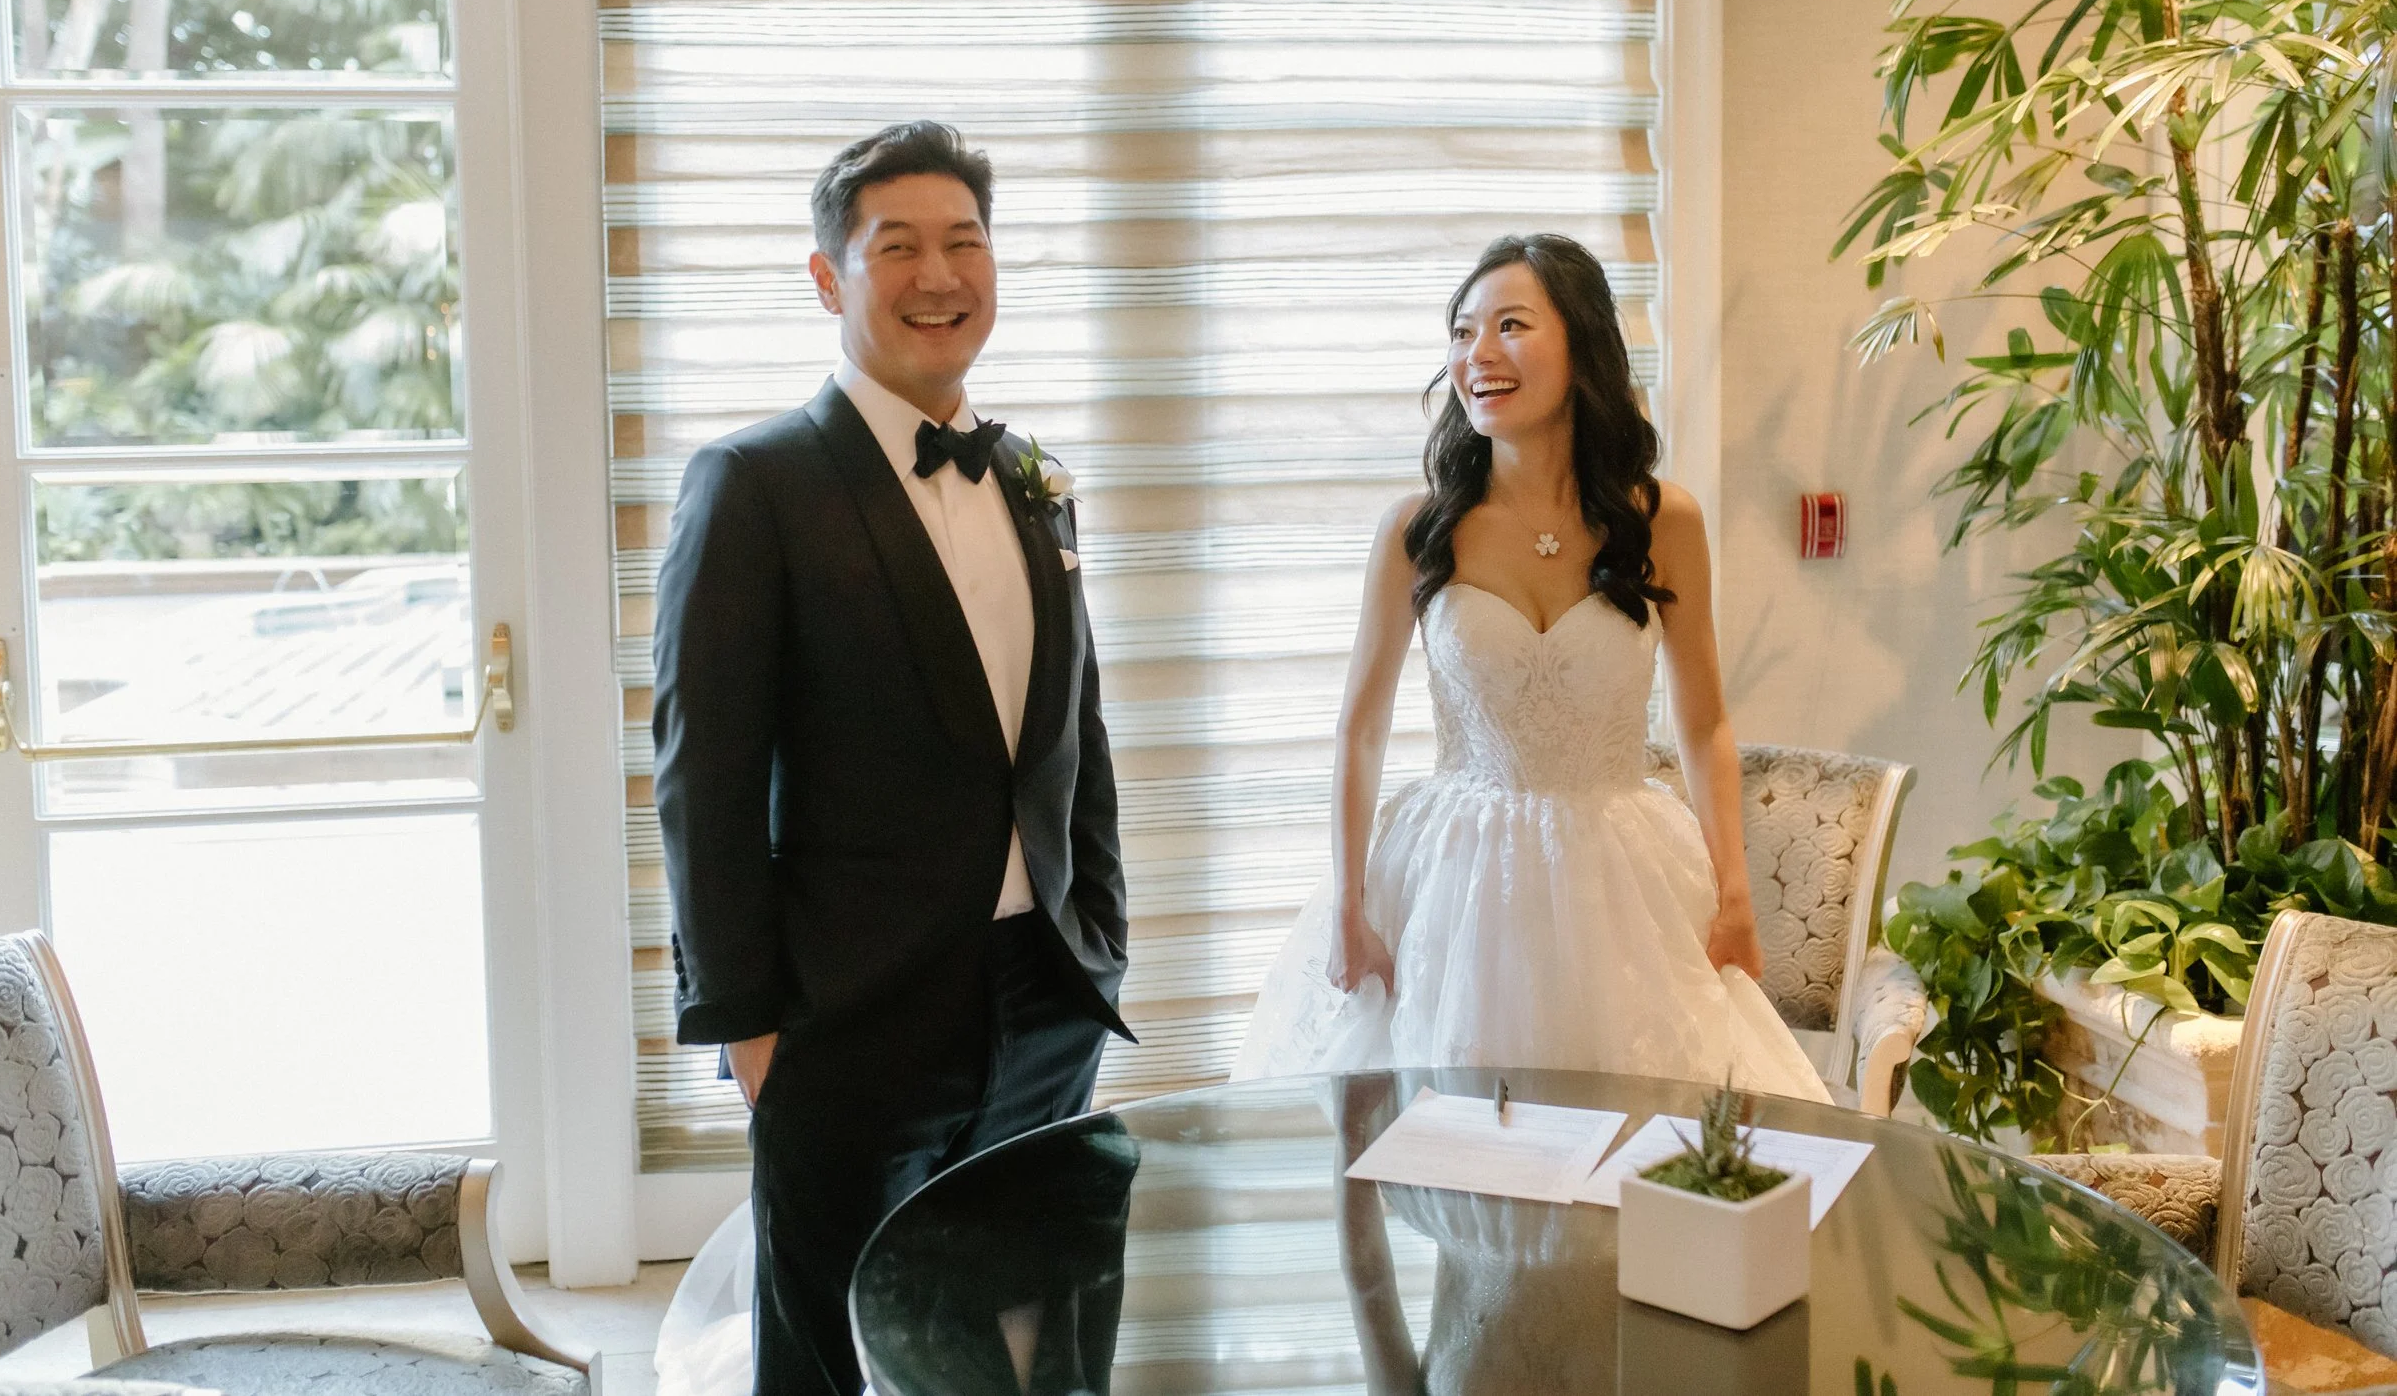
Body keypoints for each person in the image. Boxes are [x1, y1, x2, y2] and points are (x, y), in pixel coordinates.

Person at [652, 121, 1131, 1396]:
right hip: (846, 1009)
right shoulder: (752, 482)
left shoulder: (1035, 474)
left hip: (1041, 995)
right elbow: (702, 776)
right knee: (823, 1346)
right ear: (828, 276)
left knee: (1013, 1334)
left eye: (965, 241)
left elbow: (1075, 728)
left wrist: (1098, 932)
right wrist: (745, 1023)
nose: (939, 274)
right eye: (898, 245)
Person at [1231, 233, 1826, 1102]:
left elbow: (1703, 723)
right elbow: (1359, 730)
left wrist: (1736, 895)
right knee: (1456, 1136)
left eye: (1510, 325)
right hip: (1455, 881)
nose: (1479, 354)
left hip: (1617, 874)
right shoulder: (1418, 528)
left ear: (1583, 347)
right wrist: (1351, 907)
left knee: (1643, 1135)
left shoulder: (1664, 522)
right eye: (1464, 331)